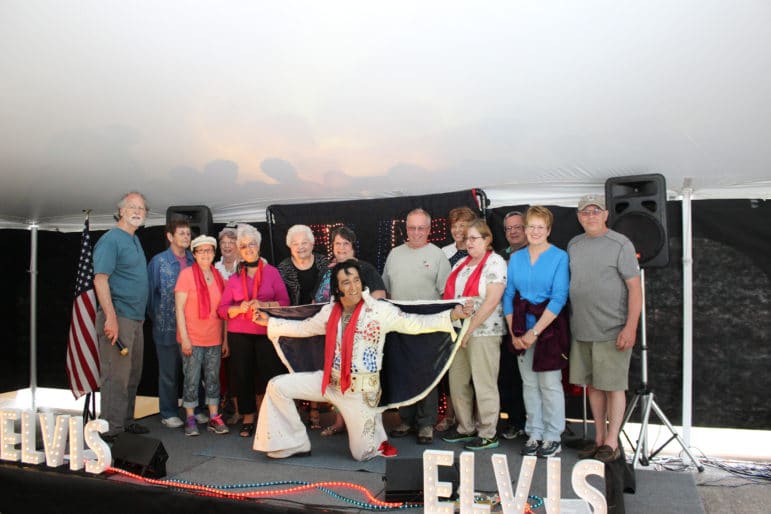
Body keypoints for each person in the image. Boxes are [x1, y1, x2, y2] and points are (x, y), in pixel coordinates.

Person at [252, 260, 473, 461]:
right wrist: (269, 322)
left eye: (356, 280)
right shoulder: (330, 312)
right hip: (329, 383)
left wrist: (451, 316)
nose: (353, 287)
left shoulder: (379, 311)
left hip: (360, 394)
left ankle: (373, 427)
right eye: (346, 282)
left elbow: (414, 323)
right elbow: (304, 328)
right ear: (337, 288)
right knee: (277, 386)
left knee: (362, 454)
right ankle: (294, 444)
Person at [568, 194, 642, 463]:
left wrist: (630, 327)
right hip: (582, 329)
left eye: (595, 211)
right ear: (578, 216)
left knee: (613, 386)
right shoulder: (574, 245)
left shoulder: (620, 244)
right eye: (585, 212)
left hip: (612, 330)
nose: (590, 216)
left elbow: (635, 289)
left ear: (606, 214)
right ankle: (599, 438)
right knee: (594, 386)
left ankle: (613, 441)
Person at [503, 205, 570, 458]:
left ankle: (553, 436)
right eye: (531, 226)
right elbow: (509, 295)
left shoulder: (559, 257)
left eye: (540, 227)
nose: (535, 231)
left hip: (548, 329)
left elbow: (559, 296)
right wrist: (514, 332)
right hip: (520, 326)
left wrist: (535, 332)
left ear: (549, 230)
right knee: (529, 384)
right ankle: (535, 432)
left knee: (550, 384)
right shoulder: (517, 258)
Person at [383, 208, 451, 444]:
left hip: (428, 327)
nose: (417, 232)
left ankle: (426, 424)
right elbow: (386, 290)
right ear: (406, 229)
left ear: (430, 230)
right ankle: (405, 419)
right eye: (412, 227)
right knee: (402, 374)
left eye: (422, 228)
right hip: (399, 327)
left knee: (426, 376)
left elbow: (446, 294)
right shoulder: (394, 254)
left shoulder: (438, 256)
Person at [217, 224, 290, 437]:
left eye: (252, 244)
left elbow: (285, 303)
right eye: (243, 245)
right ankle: (248, 417)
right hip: (239, 333)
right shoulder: (234, 278)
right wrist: (238, 308)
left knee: (271, 376)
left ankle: (274, 416)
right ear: (239, 250)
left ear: (258, 246)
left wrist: (265, 305)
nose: (248, 248)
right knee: (242, 376)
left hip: (266, 332)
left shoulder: (272, 273)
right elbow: (222, 310)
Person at [440, 219, 507, 451]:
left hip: (484, 332)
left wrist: (470, 328)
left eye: (473, 238)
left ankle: (488, 432)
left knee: (484, 382)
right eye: (466, 238)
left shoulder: (495, 262)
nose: (468, 242)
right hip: (459, 331)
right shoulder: (462, 264)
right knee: (458, 383)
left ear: (487, 240)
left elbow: (491, 301)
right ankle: (465, 428)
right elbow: (451, 296)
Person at [93, 192, 150, 442]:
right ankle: (110, 431)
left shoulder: (133, 239)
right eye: (132, 207)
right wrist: (110, 317)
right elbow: (100, 279)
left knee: (132, 374)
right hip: (118, 318)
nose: (137, 211)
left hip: (135, 320)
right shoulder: (110, 240)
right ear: (121, 210)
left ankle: (125, 422)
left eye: (141, 208)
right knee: (115, 375)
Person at [319, 226, 387, 437]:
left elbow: (380, 293)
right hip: (335, 332)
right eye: (337, 244)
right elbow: (319, 298)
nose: (341, 248)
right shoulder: (329, 271)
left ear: (353, 247)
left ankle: (368, 426)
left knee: (362, 381)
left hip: (361, 335)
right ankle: (340, 422)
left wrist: (359, 313)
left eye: (345, 244)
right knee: (337, 377)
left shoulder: (364, 268)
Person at [277, 224, 331, 428]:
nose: (300, 247)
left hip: (320, 324)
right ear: (289, 246)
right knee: (296, 366)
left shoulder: (325, 263)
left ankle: (315, 409)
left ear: (313, 243)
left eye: (304, 242)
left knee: (318, 365)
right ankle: (296, 410)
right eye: (295, 244)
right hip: (295, 325)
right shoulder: (283, 268)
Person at [174, 235, 229, 436]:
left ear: (214, 253)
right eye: (201, 251)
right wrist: (185, 338)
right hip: (193, 338)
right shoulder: (186, 275)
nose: (206, 254)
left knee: (213, 378)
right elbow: (179, 310)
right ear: (194, 254)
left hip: (214, 338)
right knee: (191, 378)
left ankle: (214, 416)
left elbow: (224, 311)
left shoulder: (219, 277)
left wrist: (225, 339)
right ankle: (189, 417)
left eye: (209, 250)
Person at [147, 219, 194, 429]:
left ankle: (195, 410)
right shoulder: (158, 262)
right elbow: (149, 295)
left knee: (193, 372)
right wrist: (158, 318)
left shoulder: (195, 260)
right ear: (170, 236)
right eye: (181, 233)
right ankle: (168, 412)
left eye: (188, 234)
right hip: (166, 328)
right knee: (168, 373)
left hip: (192, 329)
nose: (185, 237)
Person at [498, 210, 528, 441]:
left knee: (535, 380)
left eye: (517, 227)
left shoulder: (538, 253)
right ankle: (515, 422)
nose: (513, 232)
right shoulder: (498, 258)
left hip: (534, 325)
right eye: (509, 228)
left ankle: (537, 426)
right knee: (509, 377)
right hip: (506, 326)